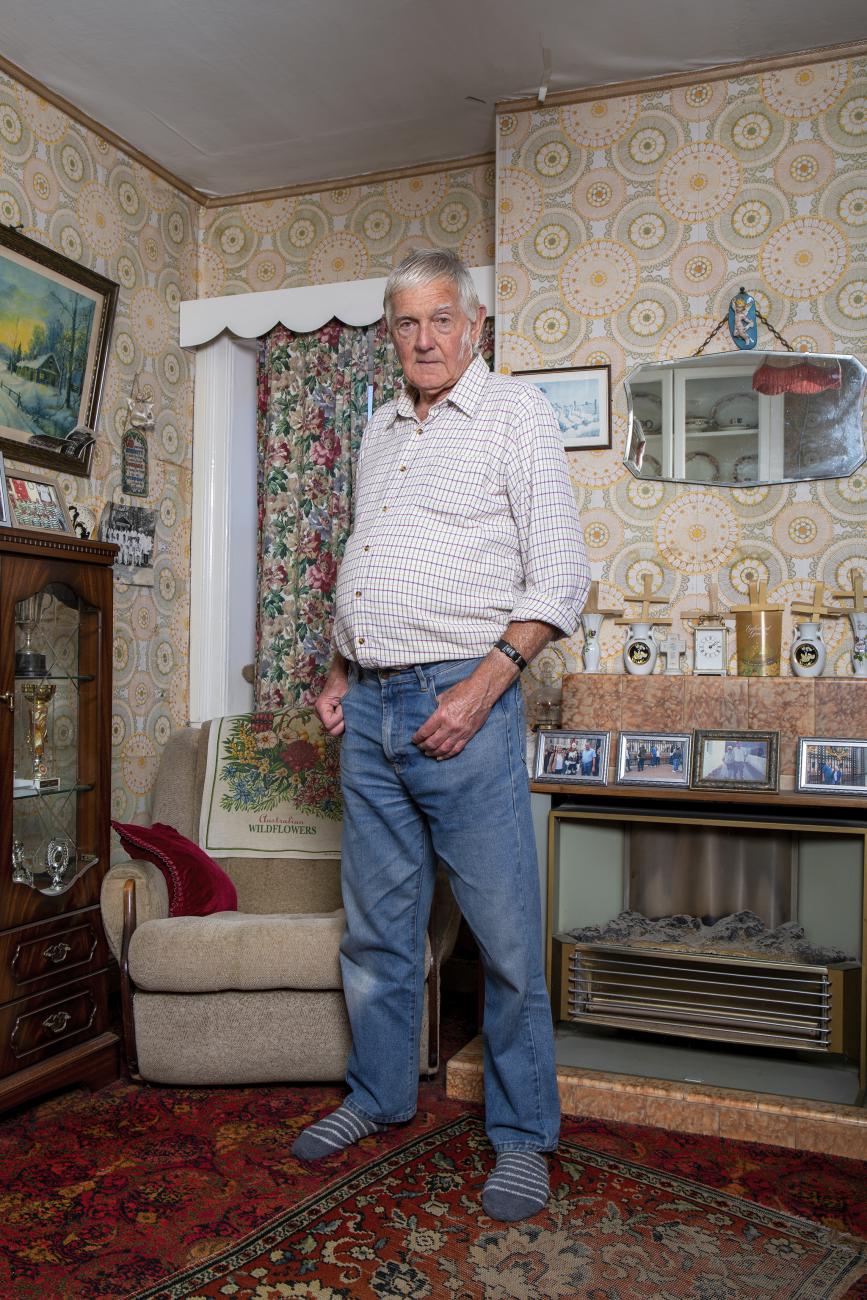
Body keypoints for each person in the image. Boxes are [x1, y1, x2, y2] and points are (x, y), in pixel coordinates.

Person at [291, 248, 588, 1223]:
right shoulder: (379, 428)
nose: (424, 339)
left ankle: (523, 1135)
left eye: (441, 320)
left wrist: (480, 688)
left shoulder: (516, 414)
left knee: (503, 942)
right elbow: (370, 556)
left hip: (463, 703)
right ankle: (378, 1094)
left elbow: (560, 577)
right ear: (392, 333)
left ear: (476, 325)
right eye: (406, 323)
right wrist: (341, 669)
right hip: (369, 709)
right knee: (379, 933)